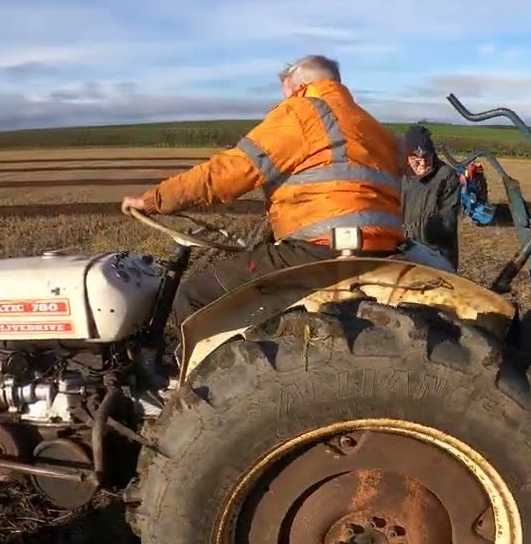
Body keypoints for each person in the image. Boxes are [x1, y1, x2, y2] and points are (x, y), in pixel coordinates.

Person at [120, 54, 405, 336]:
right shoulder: (371, 125)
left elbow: (229, 172)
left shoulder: (301, 112)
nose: (284, 99)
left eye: (286, 92)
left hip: (319, 249)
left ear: (298, 85)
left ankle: (203, 379)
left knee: (195, 296)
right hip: (379, 247)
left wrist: (154, 200)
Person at [400, 125, 461, 269]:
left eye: (426, 157)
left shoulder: (446, 176)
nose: (422, 163)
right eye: (416, 159)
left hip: (436, 255)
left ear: (433, 154)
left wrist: (428, 235)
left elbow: (448, 218)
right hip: (403, 253)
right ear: (407, 158)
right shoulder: (400, 176)